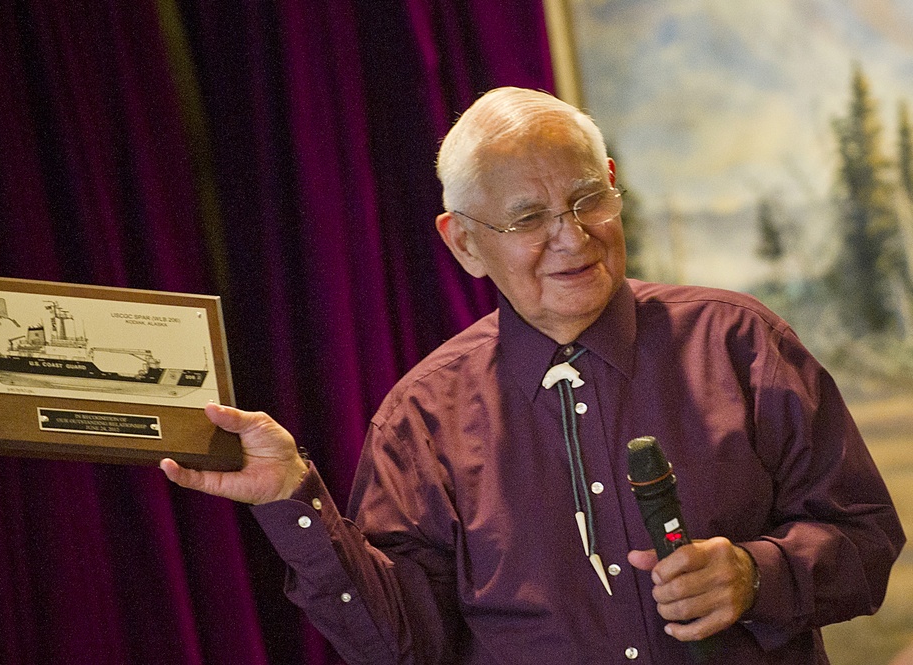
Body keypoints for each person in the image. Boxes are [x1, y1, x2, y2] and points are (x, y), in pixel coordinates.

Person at [160, 87, 905, 664]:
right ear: (464, 243)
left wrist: (757, 573)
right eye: (528, 219)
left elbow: (867, 536)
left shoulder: (739, 342)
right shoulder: (422, 418)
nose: (571, 238)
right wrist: (294, 497)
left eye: (588, 200)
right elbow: (401, 646)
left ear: (613, 185)